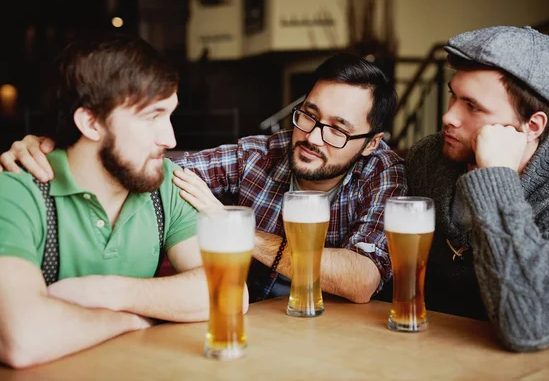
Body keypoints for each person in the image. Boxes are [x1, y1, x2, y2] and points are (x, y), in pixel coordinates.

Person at [1, 53, 405, 304]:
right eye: (309, 115)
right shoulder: (263, 154)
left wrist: (236, 228)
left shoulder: (381, 171)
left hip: (337, 342)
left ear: (371, 143)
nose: (312, 137)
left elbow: (362, 280)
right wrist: (65, 146)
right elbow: (161, 162)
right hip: (255, 333)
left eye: (337, 129)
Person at [0, 34, 219, 368]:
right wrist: (132, 321)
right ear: (91, 122)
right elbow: (22, 339)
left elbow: (226, 294)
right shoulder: (16, 191)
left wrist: (108, 292)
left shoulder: (167, 182)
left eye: (170, 115)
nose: (170, 138)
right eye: (152, 116)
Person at [405, 25, 549, 351]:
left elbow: (527, 326)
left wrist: (497, 178)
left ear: (532, 126)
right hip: (430, 356)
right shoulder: (428, 158)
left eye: (473, 106)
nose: (448, 116)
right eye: (453, 94)